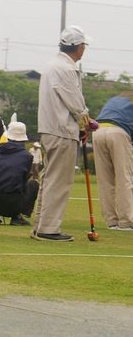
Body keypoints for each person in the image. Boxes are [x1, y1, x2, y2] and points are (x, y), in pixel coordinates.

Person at [32, 26, 98, 242]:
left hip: (50, 129)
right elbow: (76, 103)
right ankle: (48, 229)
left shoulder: (52, 66)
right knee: (59, 181)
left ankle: (40, 225)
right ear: (79, 47)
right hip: (61, 130)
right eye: (84, 46)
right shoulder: (66, 69)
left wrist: (84, 123)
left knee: (50, 178)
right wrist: (85, 124)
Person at [0, 118, 39, 225]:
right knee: (34, 184)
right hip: (12, 204)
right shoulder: (27, 157)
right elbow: (22, 181)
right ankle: (18, 216)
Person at [92, 92, 133, 231]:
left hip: (97, 131)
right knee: (124, 178)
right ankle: (126, 222)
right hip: (119, 132)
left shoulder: (116, 98)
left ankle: (111, 222)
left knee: (105, 180)